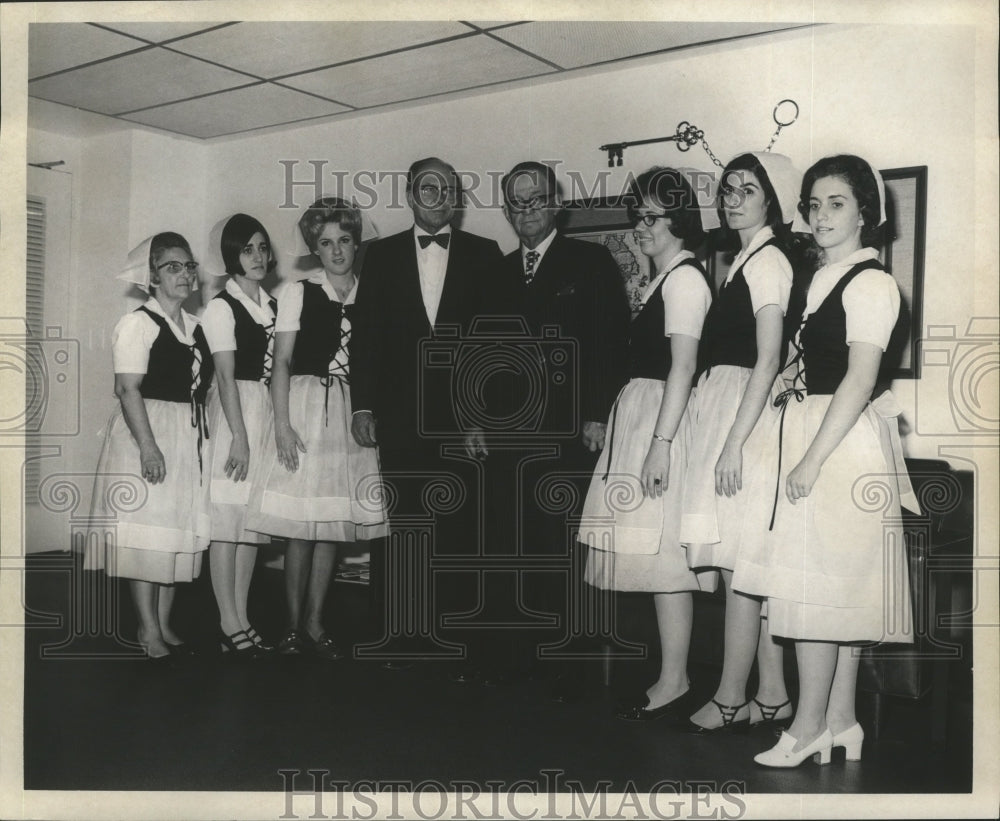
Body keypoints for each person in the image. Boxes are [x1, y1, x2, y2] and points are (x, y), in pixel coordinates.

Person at [732, 154, 914, 767]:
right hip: (821, 431)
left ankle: (806, 728)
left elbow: (860, 380)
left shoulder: (872, 283)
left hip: (839, 446)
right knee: (822, 589)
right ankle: (840, 722)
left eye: (836, 203)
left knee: (816, 593)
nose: (821, 215)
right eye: (813, 204)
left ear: (867, 212)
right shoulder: (827, 281)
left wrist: (810, 460)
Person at [350, 158, 503, 679]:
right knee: (402, 525)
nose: (435, 195)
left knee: (458, 527)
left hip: (463, 421)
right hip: (397, 416)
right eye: (425, 186)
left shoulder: (486, 254)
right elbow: (365, 336)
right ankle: (397, 635)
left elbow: (494, 342)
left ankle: (457, 639)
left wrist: (482, 415)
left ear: (456, 198)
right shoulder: (380, 254)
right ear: (410, 195)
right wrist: (362, 405)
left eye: (445, 187)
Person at [579, 167, 714, 719]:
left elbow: (684, 366)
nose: (642, 226)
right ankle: (671, 675)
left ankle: (676, 678)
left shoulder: (685, 280)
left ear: (680, 222)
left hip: (664, 423)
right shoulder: (659, 279)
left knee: (667, 561)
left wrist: (659, 442)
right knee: (655, 562)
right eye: (638, 216)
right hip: (640, 418)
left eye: (653, 217)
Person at [497, 161, 630, 699]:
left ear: (555, 205)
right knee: (519, 544)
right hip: (511, 434)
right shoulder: (501, 270)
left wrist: (597, 411)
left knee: (564, 543)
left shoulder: (591, 262)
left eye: (535, 200)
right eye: (515, 202)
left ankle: (569, 662)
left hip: (573, 430)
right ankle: (524, 654)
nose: (525, 211)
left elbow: (611, 341)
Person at [680, 152, 800, 733]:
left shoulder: (768, 262)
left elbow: (771, 356)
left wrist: (732, 443)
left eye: (747, 190)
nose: (732, 198)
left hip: (743, 417)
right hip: (731, 407)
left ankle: (730, 696)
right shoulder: (749, 257)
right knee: (741, 564)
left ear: (771, 199)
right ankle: (772, 695)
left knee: (738, 565)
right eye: (728, 188)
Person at [246, 198, 386, 659]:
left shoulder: (373, 292)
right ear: (315, 248)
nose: (337, 251)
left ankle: (315, 621)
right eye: (326, 243)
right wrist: (282, 425)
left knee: (331, 524)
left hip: (350, 412)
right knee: (299, 527)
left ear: (356, 242)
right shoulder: (298, 292)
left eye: (344, 240)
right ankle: (289, 625)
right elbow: (281, 362)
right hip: (303, 407)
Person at [85, 232, 213, 660]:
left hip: (184, 433)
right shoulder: (137, 323)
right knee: (148, 532)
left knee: (172, 530)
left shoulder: (195, 327)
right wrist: (149, 447)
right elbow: (127, 390)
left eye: (188, 265)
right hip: (148, 431)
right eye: (172, 267)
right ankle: (147, 627)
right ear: (151, 277)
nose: (185, 274)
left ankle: (164, 621)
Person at [201, 214, 278, 657]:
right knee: (227, 522)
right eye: (247, 249)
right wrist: (240, 437)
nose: (258, 257)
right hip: (235, 415)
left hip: (264, 411)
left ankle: (243, 616)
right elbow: (226, 378)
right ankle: (226, 620)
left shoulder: (271, 304)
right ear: (232, 256)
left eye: (262, 247)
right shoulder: (220, 307)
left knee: (251, 524)